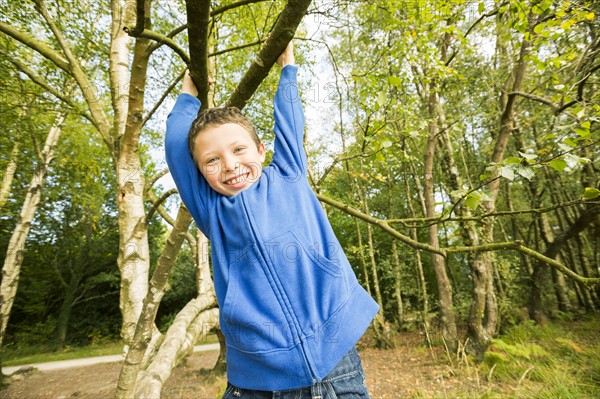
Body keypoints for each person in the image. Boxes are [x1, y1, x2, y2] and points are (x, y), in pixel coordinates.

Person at [165, 42, 379, 398]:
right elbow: (176, 148)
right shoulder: (212, 211)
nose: (230, 165)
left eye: (238, 150)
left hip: (337, 365)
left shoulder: (288, 175)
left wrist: (287, 69)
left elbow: (290, 121)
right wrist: (188, 94)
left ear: (261, 150)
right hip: (261, 379)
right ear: (200, 173)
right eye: (212, 161)